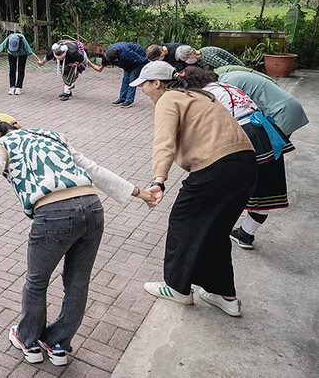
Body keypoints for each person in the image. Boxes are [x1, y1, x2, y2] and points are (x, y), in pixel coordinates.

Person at [0, 114, 154, 366]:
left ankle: (28, 340)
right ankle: (58, 344)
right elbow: (94, 169)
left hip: (53, 214)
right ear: (17, 124)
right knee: (78, 283)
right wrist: (140, 193)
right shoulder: (53, 137)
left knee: (36, 283)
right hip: (92, 207)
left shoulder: (2, 146)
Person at [131, 61, 256, 317]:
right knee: (216, 231)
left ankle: (177, 287)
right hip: (246, 165)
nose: (142, 90)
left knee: (182, 220)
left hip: (216, 167)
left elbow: (164, 142)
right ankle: (225, 295)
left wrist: (158, 180)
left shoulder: (169, 98)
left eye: (144, 84)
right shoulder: (200, 95)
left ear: (157, 83)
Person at [182, 67, 294, 250]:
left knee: (223, 187)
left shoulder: (205, 96)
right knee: (265, 190)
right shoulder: (226, 86)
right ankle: (246, 234)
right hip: (266, 134)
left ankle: (210, 232)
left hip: (243, 137)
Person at [217, 69, 308, 137]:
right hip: (289, 105)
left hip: (281, 112)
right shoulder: (228, 75)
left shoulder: (225, 85)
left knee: (268, 150)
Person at [35, 40, 102, 101]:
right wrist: (42, 63)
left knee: (69, 74)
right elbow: (47, 57)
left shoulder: (73, 53)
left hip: (75, 61)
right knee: (64, 72)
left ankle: (66, 93)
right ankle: (68, 90)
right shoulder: (54, 50)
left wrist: (94, 66)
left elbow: (84, 60)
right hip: (65, 62)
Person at [102, 42, 149, 108]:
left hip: (138, 59)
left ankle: (129, 100)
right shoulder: (108, 53)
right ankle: (122, 98)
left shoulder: (126, 52)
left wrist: (149, 62)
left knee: (132, 79)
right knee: (125, 79)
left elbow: (138, 58)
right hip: (127, 62)